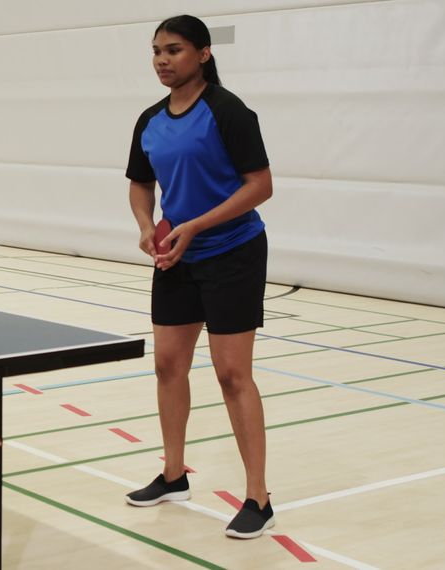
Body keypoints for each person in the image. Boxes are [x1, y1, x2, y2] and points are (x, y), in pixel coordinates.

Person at [124, 15, 275, 539]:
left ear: (204, 54)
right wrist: (148, 227)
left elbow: (260, 186)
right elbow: (140, 185)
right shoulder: (149, 119)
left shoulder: (229, 112)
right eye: (157, 52)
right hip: (177, 258)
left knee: (233, 375)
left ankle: (258, 497)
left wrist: (196, 226)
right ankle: (173, 474)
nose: (163, 60)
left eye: (175, 50)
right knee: (168, 365)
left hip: (232, 253)